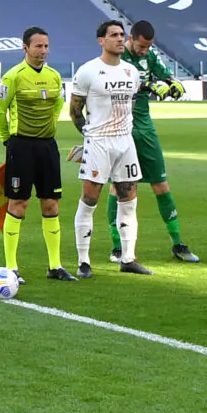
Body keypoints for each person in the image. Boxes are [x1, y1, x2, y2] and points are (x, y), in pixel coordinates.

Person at [68, 20, 149, 275]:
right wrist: (89, 136)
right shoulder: (88, 71)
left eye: (121, 34)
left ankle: (128, 258)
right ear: (101, 40)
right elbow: (75, 110)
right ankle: (84, 262)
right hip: (99, 143)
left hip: (125, 142)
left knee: (129, 200)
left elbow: (131, 106)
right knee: (90, 200)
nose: (119, 39)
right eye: (113, 35)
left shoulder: (131, 72)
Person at [0, 26, 71, 280]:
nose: (44, 51)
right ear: (25, 48)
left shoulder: (54, 76)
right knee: (19, 203)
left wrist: (49, 126)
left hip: (47, 146)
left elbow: (59, 103)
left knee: (51, 204)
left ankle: (55, 266)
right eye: (38, 46)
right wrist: (8, 141)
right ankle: (11, 267)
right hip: (21, 146)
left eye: (46, 46)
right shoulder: (13, 76)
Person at [124, 21, 199, 263]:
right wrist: (148, 85)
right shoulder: (118, 57)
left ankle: (178, 244)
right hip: (120, 127)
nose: (144, 51)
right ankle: (118, 248)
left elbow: (164, 74)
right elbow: (123, 86)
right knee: (123, 188)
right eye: (142, 46)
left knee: (161, 184)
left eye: (148, 47)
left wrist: (173, 83)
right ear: (131, 38)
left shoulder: (150, 56)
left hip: (145, 127)